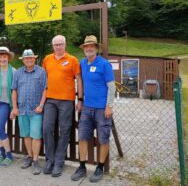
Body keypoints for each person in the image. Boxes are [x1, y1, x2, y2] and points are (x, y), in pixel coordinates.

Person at [70, 35, 115, 183]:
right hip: (87, 108)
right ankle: (82, 166)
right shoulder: (82, 63)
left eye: (91, 46)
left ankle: (100, 167)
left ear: (96, 48)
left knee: (103, 138)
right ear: (84, 49)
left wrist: (109, 105)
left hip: (102, 109)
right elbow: (79, 81)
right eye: (86, 47)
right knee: (82, 137)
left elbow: (111, 86)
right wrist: (80, 100)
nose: (88, 48)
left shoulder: (104, 64)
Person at [42, 35, 83, 177]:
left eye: (60, 44)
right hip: (50, 100)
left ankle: (59, 162)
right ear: (52, 46)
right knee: (47, 128)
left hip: (66, 100)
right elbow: (44, 78)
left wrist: (80, 99)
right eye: (55, 44)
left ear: (65, 45)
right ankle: (50, 160)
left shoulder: (72, 60)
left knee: (64, 130)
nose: (58, 47)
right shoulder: (47, 59)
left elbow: (78, 78)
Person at [10, 49, 47, 175]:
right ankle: (30, 157)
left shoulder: (41, 72)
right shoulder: (18, 73)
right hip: (22, 110)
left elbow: (45, 90)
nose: (29, 60)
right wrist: (14, 108)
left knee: (36, 136)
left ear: (34, 58)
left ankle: (36, 160)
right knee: (26, 135)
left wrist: (41, 105)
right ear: (23, 60)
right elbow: (14, 91)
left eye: (31, 58)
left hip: (36, 110)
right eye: (26, 58)